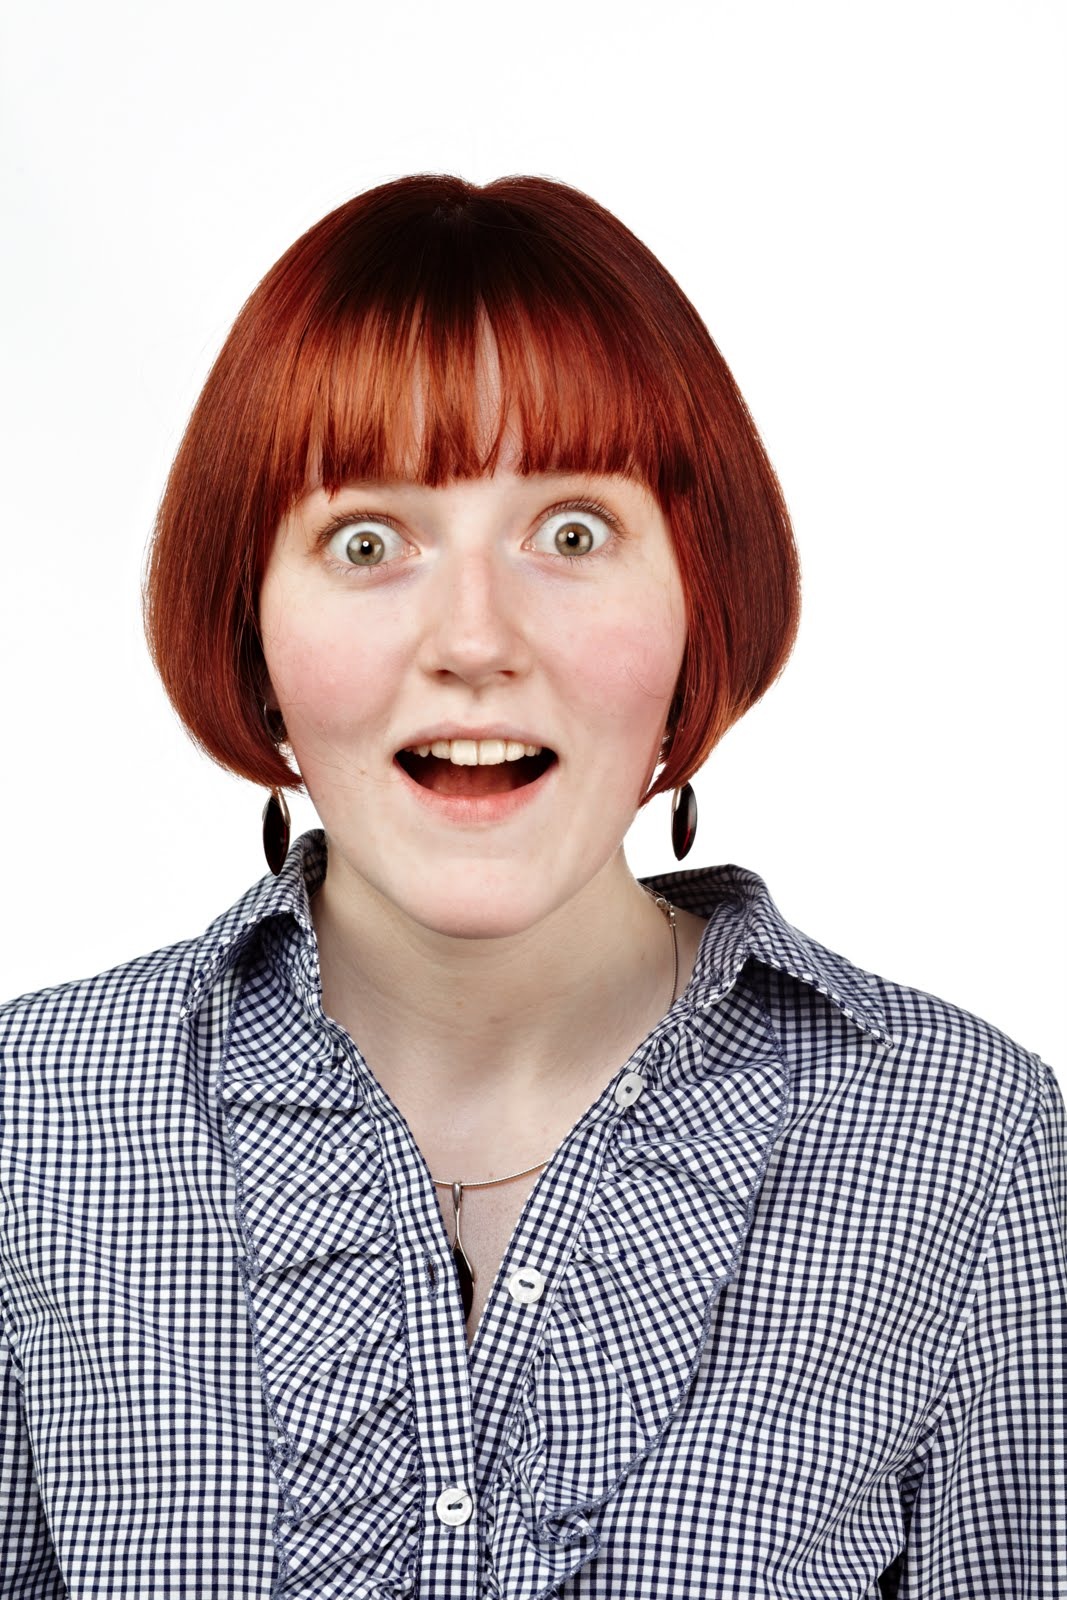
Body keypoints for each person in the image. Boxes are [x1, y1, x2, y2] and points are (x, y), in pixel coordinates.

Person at [0, 174, 1062, 1600]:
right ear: (248, 633)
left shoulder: (965, 1143)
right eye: (367, 542)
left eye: (571, 533)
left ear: (701, 604)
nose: (474, 640)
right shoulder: (34, 1121)